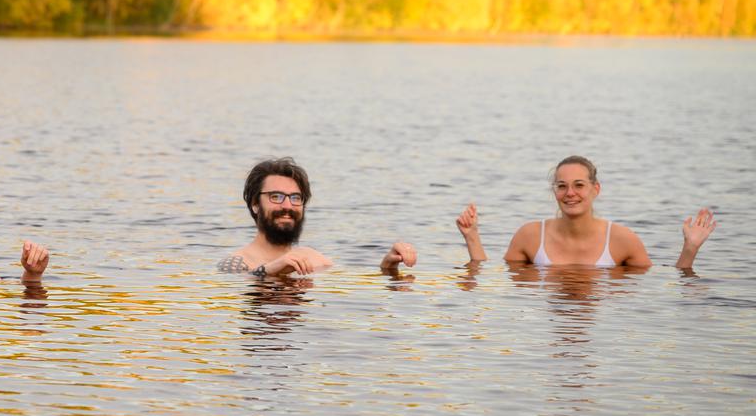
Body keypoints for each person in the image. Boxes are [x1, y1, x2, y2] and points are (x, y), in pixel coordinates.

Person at [456, 155, 717, 268]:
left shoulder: (622, 239)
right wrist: (472, 237)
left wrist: (690, 249)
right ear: (554, 191)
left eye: (579, 185)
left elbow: (665, 286)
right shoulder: (530, 235)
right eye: (562, 186)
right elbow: (489, 277)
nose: (570, 193)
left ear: (596, 189)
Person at [217, 157, 418, 276]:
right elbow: (237, 285)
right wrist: (270, 270)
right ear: (255, 205)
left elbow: (350, 286)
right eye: (276, 196)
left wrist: (388, 267)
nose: (287, 205)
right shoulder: (236, 263)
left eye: (296, 198)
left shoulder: (312, 257)